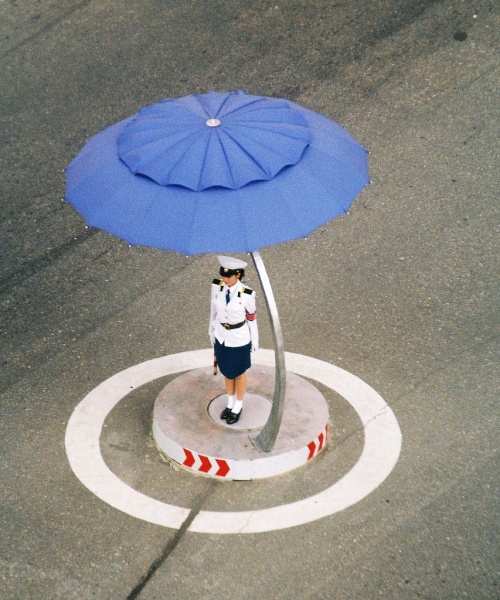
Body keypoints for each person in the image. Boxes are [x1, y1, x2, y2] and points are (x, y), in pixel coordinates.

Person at [209, 256, 259, 425]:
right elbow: (213, 312)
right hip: (222, 336)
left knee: (239, 372)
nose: (224, 279)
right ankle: (230, 402)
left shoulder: (247, 294)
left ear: (237, 275)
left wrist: (255, 340)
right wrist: (211, 331)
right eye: (223, 276)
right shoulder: (217, 287)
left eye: (228, 277)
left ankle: (238, 405)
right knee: (227, 371)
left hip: (239, 338)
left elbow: (251, 319)